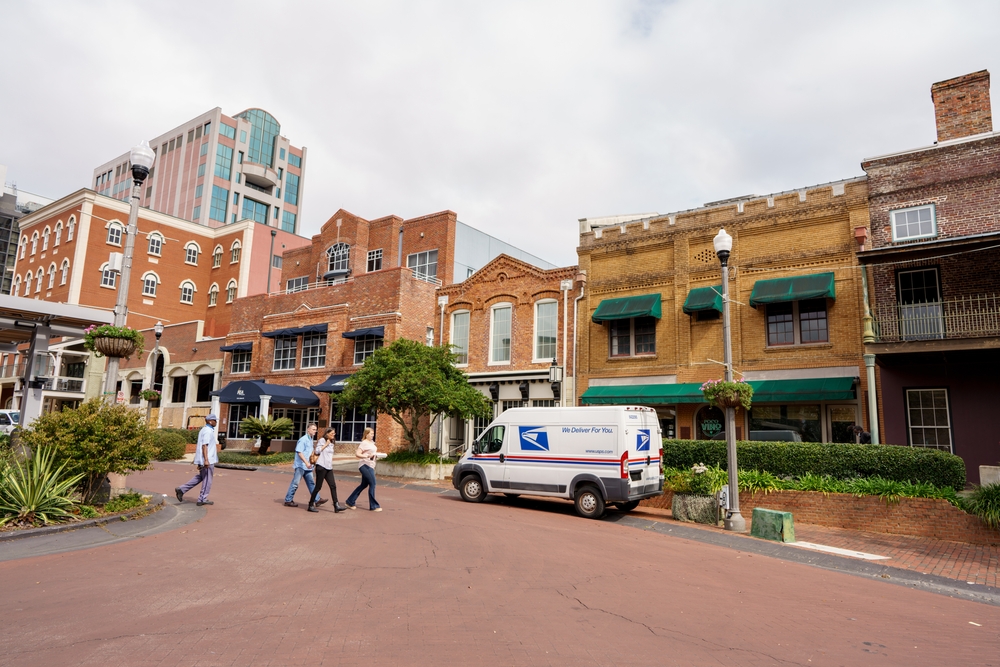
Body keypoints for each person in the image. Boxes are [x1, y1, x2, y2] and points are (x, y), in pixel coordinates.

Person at [175, 414, 219, 506]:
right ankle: (202, 499)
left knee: (201, 477)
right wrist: (206, 460)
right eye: (215, 420)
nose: (216, 422)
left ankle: (182, 489)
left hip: (202, 459)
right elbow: (204, 446)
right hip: (207, 460)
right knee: (207, 479)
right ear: (210, 421)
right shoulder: (208, 431)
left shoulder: (203, 430)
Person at [284, 423, 326, 508]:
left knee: (311, 483)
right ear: (308, 429)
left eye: (315, 429)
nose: (315, 431)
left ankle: (317, 499)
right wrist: (306, 463)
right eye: (313, 429)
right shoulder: (303, 439)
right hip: (301, 466)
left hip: (308, 466)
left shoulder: (310, 439)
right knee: (295, 483)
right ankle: (288, 500)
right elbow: (299, 452)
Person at [345, 427, 387, 511]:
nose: (372, 435)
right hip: (364, 465)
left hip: (370, 465)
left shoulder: (371, 443)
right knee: (373, 483)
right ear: (366, 434)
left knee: (363, 485)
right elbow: (357, 454)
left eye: (373, 434)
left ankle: (350, 502)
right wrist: (366, 456)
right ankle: (373, 506)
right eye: (371, 434)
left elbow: (371, 453)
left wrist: (376, 455)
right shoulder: (364, 443)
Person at [308, 428, 346, 513]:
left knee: (333, 486)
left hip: (329, 467)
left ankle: (336, 505)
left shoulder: (332, 442)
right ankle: (310, 505)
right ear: (327, 433)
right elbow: (317, 451)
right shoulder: (322, 440)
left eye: (334, 433)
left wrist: (329, 443)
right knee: (318, 487)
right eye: (332, 433)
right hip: (321, 466)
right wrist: (325, 444)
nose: (334, 434)